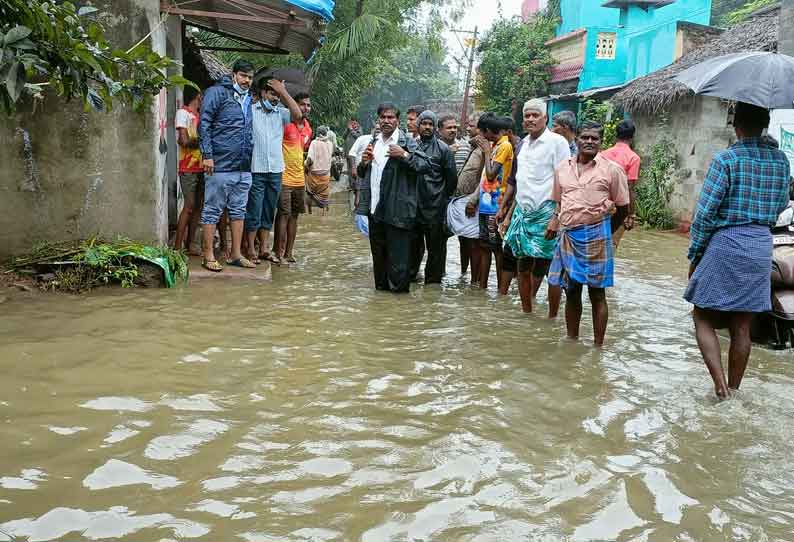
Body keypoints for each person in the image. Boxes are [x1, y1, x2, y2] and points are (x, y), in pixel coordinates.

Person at [684, 102, 791, 399]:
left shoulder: (727, 159)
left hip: (727, 242)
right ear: (765, 124)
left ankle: (719, 388)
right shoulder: (781, 161)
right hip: (761, 244)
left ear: (736, 125)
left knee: (702, 316)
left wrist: (695, 255)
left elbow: (705, 215)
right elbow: (782, 204)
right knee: (742, 325)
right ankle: (734, 388)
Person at [545, 121, 629, 346]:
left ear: (602, 142)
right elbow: (560, 202)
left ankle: (598, 346)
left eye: (595, 138)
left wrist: (607, 232)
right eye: (585, 137)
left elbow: (623, 208)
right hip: (569, 234)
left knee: (597, 293)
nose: (590, 142)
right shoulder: (563, 168)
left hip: (598, 235)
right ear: (577, 139)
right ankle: (572, 340)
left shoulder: (612, 170)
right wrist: (554, 221)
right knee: (571, 290)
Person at [501, 99, 571, 314]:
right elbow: (519, 180)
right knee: (522, 264)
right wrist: (507, 213)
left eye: (535, 115)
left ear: (545, 118)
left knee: (547, 267)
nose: (530, 119)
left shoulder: (557, 143)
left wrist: (557, 216)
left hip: (547, 213)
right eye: (527, 116)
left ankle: (551, 317)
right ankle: (527, 312)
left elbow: (565, 180)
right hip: (523, 213)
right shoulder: (522, 144)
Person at [355, 103, 431, 293]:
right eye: (383, 117)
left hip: (398, 212)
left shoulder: (407, 142)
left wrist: (404, 154)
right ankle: (381, 307)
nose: (387, 121)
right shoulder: (373, 142)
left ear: (398, 120)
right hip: (375, 210)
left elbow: (425, 166)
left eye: (391, 117)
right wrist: (364, 163)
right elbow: (362, 173)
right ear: (378, 120)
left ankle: (399, 310)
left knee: (399, 265)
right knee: (379, 262)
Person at [198, 59, 256, 272]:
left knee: (239, 211)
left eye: (250, 77)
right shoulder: (217, 93)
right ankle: (208, 256)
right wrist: (207, 154)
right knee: (212, 210)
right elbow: (204, 123)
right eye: (243, 76)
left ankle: (236, 255)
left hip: (243, 166)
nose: (247, 81)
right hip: (220, 163)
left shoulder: (248, 98)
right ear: (234, 75)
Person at [244, 78, 301, 265]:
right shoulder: (251, 110)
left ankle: (264, 248)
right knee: (255, 209)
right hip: (256, 168)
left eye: (277, 95)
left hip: (276, 169)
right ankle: (251, 248)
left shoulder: (282, 114)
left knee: (269, 209)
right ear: (262, 93)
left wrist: (283, 91)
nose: (275, 98)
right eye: (271, 93)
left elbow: (298, 114)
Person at [465, 114, 514, 290]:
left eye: (481, 131)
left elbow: (492, 174)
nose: (480, 136)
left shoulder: (505, 145)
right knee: (484, 246)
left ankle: (502, 291)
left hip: (497, 205)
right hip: (486, 204)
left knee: (497, 249)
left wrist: (486, 151)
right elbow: (484, 176)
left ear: (487, 131)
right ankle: (482, 288)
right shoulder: (494, 145)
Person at [410, 110, 458, 284]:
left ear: (435, 127)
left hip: (435, 206)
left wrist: (442, 199)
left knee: (435, 249)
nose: (427, 127)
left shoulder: (443, 149)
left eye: (430, 124)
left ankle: (433, 284)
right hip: (413, 206)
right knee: (413, 246)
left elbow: (452, 179)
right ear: (418, 125)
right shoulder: (411, 146)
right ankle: (411, 276)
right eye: (424, 123)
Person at [447, 115, 488, 282]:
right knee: (463, 239)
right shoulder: (472, 146)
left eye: (472, 126)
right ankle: (464, 275)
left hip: (474, 200)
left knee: (474, 243)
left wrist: (474, 199)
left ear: (482, 130)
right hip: (462, 199)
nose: (468, 129)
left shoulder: (487, 149)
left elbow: (486, 177)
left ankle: (474, 280)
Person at [274, 91, 313, 264]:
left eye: (308, 105)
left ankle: (289, 252)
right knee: (283, 214)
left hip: (299, 178)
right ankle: (278, 252)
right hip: (283, 177)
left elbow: (301, 151)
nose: (306, 108)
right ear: (294, 106)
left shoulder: (308, 128)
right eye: (303, 104)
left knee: (295, 216)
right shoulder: (284, 123)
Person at [174, 86, 204, 256]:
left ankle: (190, 244)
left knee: (197, 206)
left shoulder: (198, 116)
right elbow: (183, 141)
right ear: (198, 96)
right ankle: (178, 246)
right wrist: (205, 139)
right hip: (188, 167)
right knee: (190, 205)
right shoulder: (183, 114)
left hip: (201, 167)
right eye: (202, 96)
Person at [601, 119, 641, 247]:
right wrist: (631, 214)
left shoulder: (603, 154)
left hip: (600, 205)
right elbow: (630, 188)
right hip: (619, 208)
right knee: (611, 244)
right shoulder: (633, 157)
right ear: (632, 137)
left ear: (616, 134)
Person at [348, 121, 381, 208]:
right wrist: (354, 168)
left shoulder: (385, 142)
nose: (378, 131)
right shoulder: (362, 139)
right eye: (376, 129)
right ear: (372, 130)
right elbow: (352, 153)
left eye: (379, 129)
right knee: (359, 194)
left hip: (376, 174)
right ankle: (358, 213)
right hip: (362, 171)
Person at [305, 126, 336, 215]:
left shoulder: (314, 143)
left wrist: (306, 166)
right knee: (326, 191)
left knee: (309, 192)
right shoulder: (330, 143)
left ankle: (309, 210)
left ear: (317, 133)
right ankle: (325, 210)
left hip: (314, 174)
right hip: (326, 174)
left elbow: (310, 159)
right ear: (326, 133)